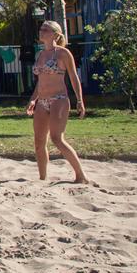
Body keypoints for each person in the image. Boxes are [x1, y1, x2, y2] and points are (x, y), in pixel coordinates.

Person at [26, 20, 88, 184]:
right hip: (42, 101)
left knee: (57, 138)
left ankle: (80, 175)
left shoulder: (62, 53)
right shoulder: (40, 54)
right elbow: (41, 82)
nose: (41, 32)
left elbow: (74, 78)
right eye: (41, 29)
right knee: (39, 142)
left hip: (59, 99)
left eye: (45, 30)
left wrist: (80, 100)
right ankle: (42, 179)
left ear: (55, 34)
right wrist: (33, 99)